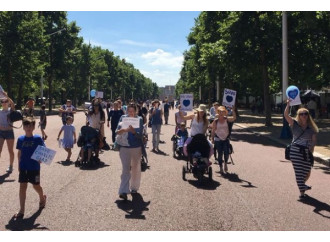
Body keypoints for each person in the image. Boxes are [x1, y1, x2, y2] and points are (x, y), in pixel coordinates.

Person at [284, 100, 318, 200]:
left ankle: (302, 185)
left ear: (308, 116)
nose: (304, 116)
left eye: (306, 114)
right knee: (299, 171)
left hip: (306, 152)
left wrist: (311, 149)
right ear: (298, 115)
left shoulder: (311, 128)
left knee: (307, 170)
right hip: (295, 150)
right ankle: (302, 193)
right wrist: (288, 105)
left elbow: (314, 141)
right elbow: (286, 115)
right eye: (302, 114)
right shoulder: (294, 124)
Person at [14, 117, 47, 219]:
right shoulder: (20, 139)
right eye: (26, 125)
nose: (28, 127)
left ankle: (42, 198)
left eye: (30, 125)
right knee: (22, 187)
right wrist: (18, 165)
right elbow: (19, 153)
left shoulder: (37, 139)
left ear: (33, 127)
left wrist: (41, 159)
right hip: (24, 167)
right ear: (23, 127)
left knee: (36, 186)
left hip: (34, 167)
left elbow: (44, 151)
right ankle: (21, 210)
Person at [116, 103, 144, 200]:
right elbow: (117, 132)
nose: (131, 113)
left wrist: (134, 132)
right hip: (124, 147)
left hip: (136, 147)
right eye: (129, 111)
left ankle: (134, 187)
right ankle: (123, 191)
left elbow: (141, 136)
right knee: (125, 169)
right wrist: (124, 130)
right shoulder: (123, 118)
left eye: (133, 111)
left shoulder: (139, 119)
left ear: (136, 111)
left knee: (135, 167)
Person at [211, 106, 236, 174]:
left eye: (223, 112)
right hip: (218, 139)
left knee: (226, 153)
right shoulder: (215, 121)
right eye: (220, 112)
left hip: (226, 138)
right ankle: (221, 167)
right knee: (219, 154)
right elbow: (213, 130)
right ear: (218, 113)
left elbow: (234, 118)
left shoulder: (227, 119)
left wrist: (233, 110)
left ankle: (225, 163)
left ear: (225, 113)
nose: (221, 113)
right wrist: (212, 138)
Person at [0, 92, 16, 173]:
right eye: (2, 101)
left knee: (10, 150)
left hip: (9, 132)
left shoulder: (10, 110)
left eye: (5, 101)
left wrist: (7, 96)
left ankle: (11, 166)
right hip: (1, 132)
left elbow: (13, 104)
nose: (4, 103)